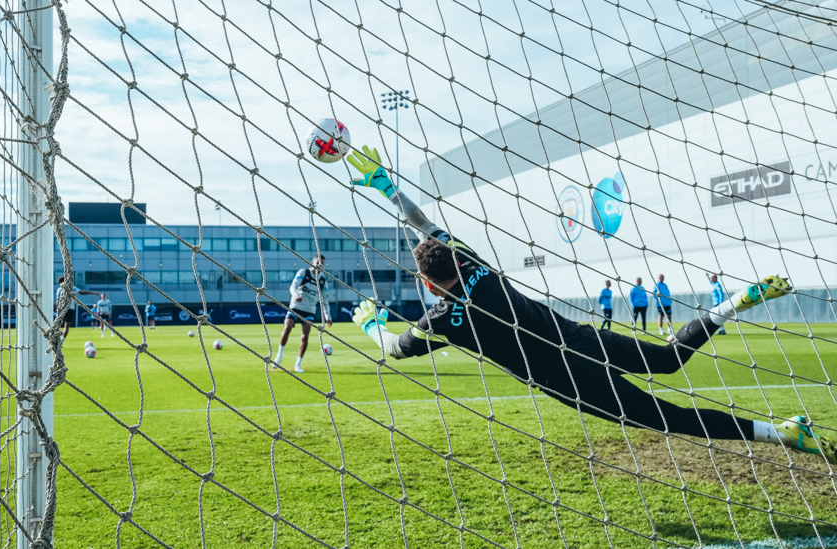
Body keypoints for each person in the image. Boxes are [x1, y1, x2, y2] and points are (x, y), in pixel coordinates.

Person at [346, 145, 834, 464]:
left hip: (565, 379)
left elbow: (393, 348)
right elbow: (421, 222)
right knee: (666, 359)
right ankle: (732, 303)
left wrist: (371, 322)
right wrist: (388, 187)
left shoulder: (443, 319)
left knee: (666, 418)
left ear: (429, 286)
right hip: (578, 337)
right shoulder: (473, 264)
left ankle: (782, 432)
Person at [273, 254, 333, 373]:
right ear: (312, 262)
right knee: (287, 327)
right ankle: (279, 356)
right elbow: (293, 286)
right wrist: (296, 296)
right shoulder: (303, 273)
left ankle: (298, 364)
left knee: (305, 336)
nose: (319, 265)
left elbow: (325, 301)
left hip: (309, 310)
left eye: (322, 264)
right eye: (317, 263)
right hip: (296, 307)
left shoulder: (322, 281)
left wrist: (328, 317)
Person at [55, 276, 101, 341]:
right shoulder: (71, 288)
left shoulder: (59, 289)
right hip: (70, 308)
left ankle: (59, 339)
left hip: (62, 309)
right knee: (67, 326)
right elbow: (81, 292)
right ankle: (62, 340)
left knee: (58, 325)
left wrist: (57, 309)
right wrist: (92, 292)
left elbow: (58, 300)